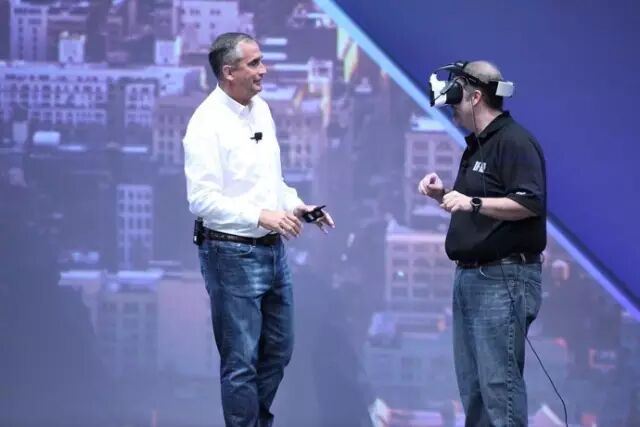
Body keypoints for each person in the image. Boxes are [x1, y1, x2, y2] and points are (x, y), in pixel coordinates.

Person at [182, 32, 335, 427]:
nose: (263, 70)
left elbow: (271, 184)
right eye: (253, 64)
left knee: (278, 351)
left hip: (272, 251)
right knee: (240, 361)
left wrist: (297, 206)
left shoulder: (261, 110)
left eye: (261, 61)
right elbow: (201, 200)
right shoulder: (205, 125)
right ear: (228, 72)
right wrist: (260, 215)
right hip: (230, 254)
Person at [419, 60, 546, 426]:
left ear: (475, 97)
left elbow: (529, 203)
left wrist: (471, 201)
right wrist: (444, 195)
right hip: (472, 278)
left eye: (456, 97)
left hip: (502, 279)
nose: (452, 109)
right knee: (473, 389)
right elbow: (481, 206)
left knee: (498, 386)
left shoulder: (514, 142)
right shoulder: (478, 146)